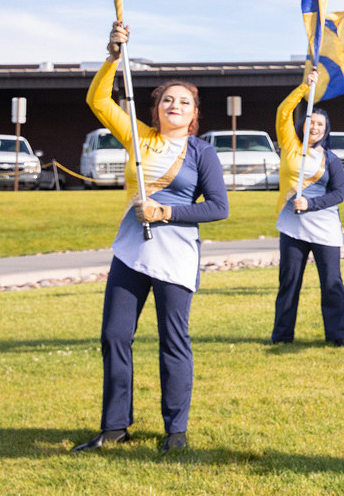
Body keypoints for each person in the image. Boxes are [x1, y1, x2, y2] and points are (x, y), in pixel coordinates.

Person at [75, 22, 229, 455]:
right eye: (166, 99)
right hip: (130, 251)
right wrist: (112, 55)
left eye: (183, 101)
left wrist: (166, 212)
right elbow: (97, 100)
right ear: (156, 107)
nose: (174, 105)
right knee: (114, 336)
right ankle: (114, 426)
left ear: (194, 111)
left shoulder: (203, 153)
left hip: (175, 256)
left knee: (172, 341)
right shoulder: (139, 138)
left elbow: (219, 207)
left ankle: (175, 431)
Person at [271, 68, 344, 346]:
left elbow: (339, 193)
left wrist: (312, 203)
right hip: (292, 226)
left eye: (320, 125)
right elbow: (283, 111)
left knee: (331, 284)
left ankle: (337, 337)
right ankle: (282, 336)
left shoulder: (332, 159)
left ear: (326, 130)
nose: (314, 127)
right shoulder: (290, 146)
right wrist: (305, 87)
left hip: (325, 227)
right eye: (310, 122)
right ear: (303, 124)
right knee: (289, 283)